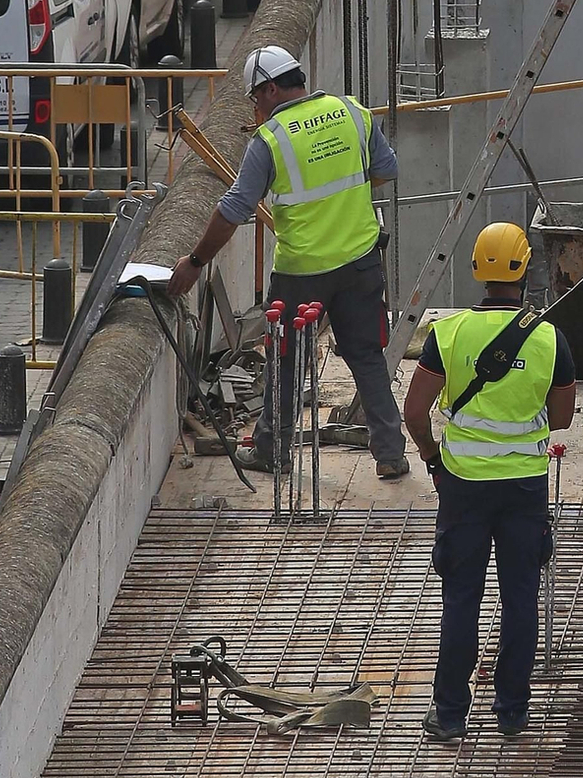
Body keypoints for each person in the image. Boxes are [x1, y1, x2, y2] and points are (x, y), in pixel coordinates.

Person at [167, 44, 410, 479]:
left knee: (285, 362)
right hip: (359, 261)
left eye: (254, 98)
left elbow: (235, 208)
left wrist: (196, 260)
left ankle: (272, 452)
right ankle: (391, 454)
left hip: (302, 273)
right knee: (368, 358)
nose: (254, 108)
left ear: (271, 89)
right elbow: (386, 169)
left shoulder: (272, 139)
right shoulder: (350, 111)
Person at [402, 221, 576, 744]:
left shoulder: (448, 334)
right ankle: (512, 713)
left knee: (462, 598)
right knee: (520, 598)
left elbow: (414, 412)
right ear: (524, 268)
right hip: (524, 488)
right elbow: (563, 417)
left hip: (462, 487)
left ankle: (450, 714)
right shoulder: (548, 337)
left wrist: (434, 459)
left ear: (477, 269)